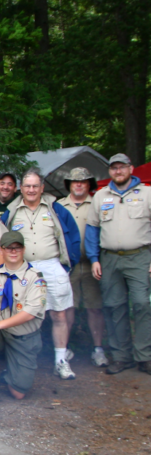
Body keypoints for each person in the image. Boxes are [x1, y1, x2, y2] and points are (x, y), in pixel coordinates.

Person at [2, 168, 80, 380]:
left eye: (35, 186)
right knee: (22, 314)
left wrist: (67, 264)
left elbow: (72, 235)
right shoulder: (12, 211)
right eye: (27, 186)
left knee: (59, 313)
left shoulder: (56, 208)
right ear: (21, 188)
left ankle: (60, 361)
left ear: (42, 187)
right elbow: (0, 238)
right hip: (24, 268)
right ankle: (22, 361)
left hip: (52, 264)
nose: (31, 190)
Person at [87, 153, 151, 375]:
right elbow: (93, 229)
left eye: (122, 167)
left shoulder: (147, 193)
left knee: (143, 304)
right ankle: (122, 356)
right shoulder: (100, 196)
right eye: (114, 168)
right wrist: (94, 259)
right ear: (110, 171)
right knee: (115, 306)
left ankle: (145, 356)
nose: (118, 171)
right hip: (110, 258)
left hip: (140, 256)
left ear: (131, 169)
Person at [0, 231, 47, 401]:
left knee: (18, 393)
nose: (13, 252)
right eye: (9, 248)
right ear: (2, 251)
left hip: (23, 337)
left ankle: (10, 373)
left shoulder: (35, 277)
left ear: (24, 249)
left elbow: (29, 313)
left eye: (17, 248)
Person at [59, 168, 108, 367]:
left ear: (90, 184)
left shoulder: (97, 204)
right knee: (67, 308)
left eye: (83, 182)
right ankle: (65, 348)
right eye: (74, 182)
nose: (78, 185)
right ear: (69, 185)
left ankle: (98, 349)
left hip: (91, 265)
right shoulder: (60, 206)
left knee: (94, 308)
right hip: (68, 267)